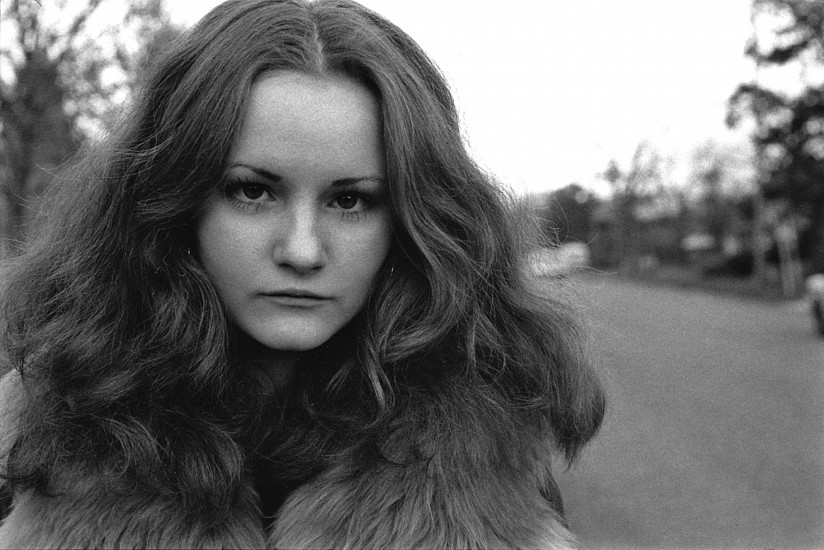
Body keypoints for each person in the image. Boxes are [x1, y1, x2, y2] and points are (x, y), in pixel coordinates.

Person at [0, 0, 605, 547]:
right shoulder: (42, 439)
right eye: (253, 191)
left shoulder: (490, 461)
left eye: (350, 201)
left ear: (413, 220)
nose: (302, 250)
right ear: (170, 200)